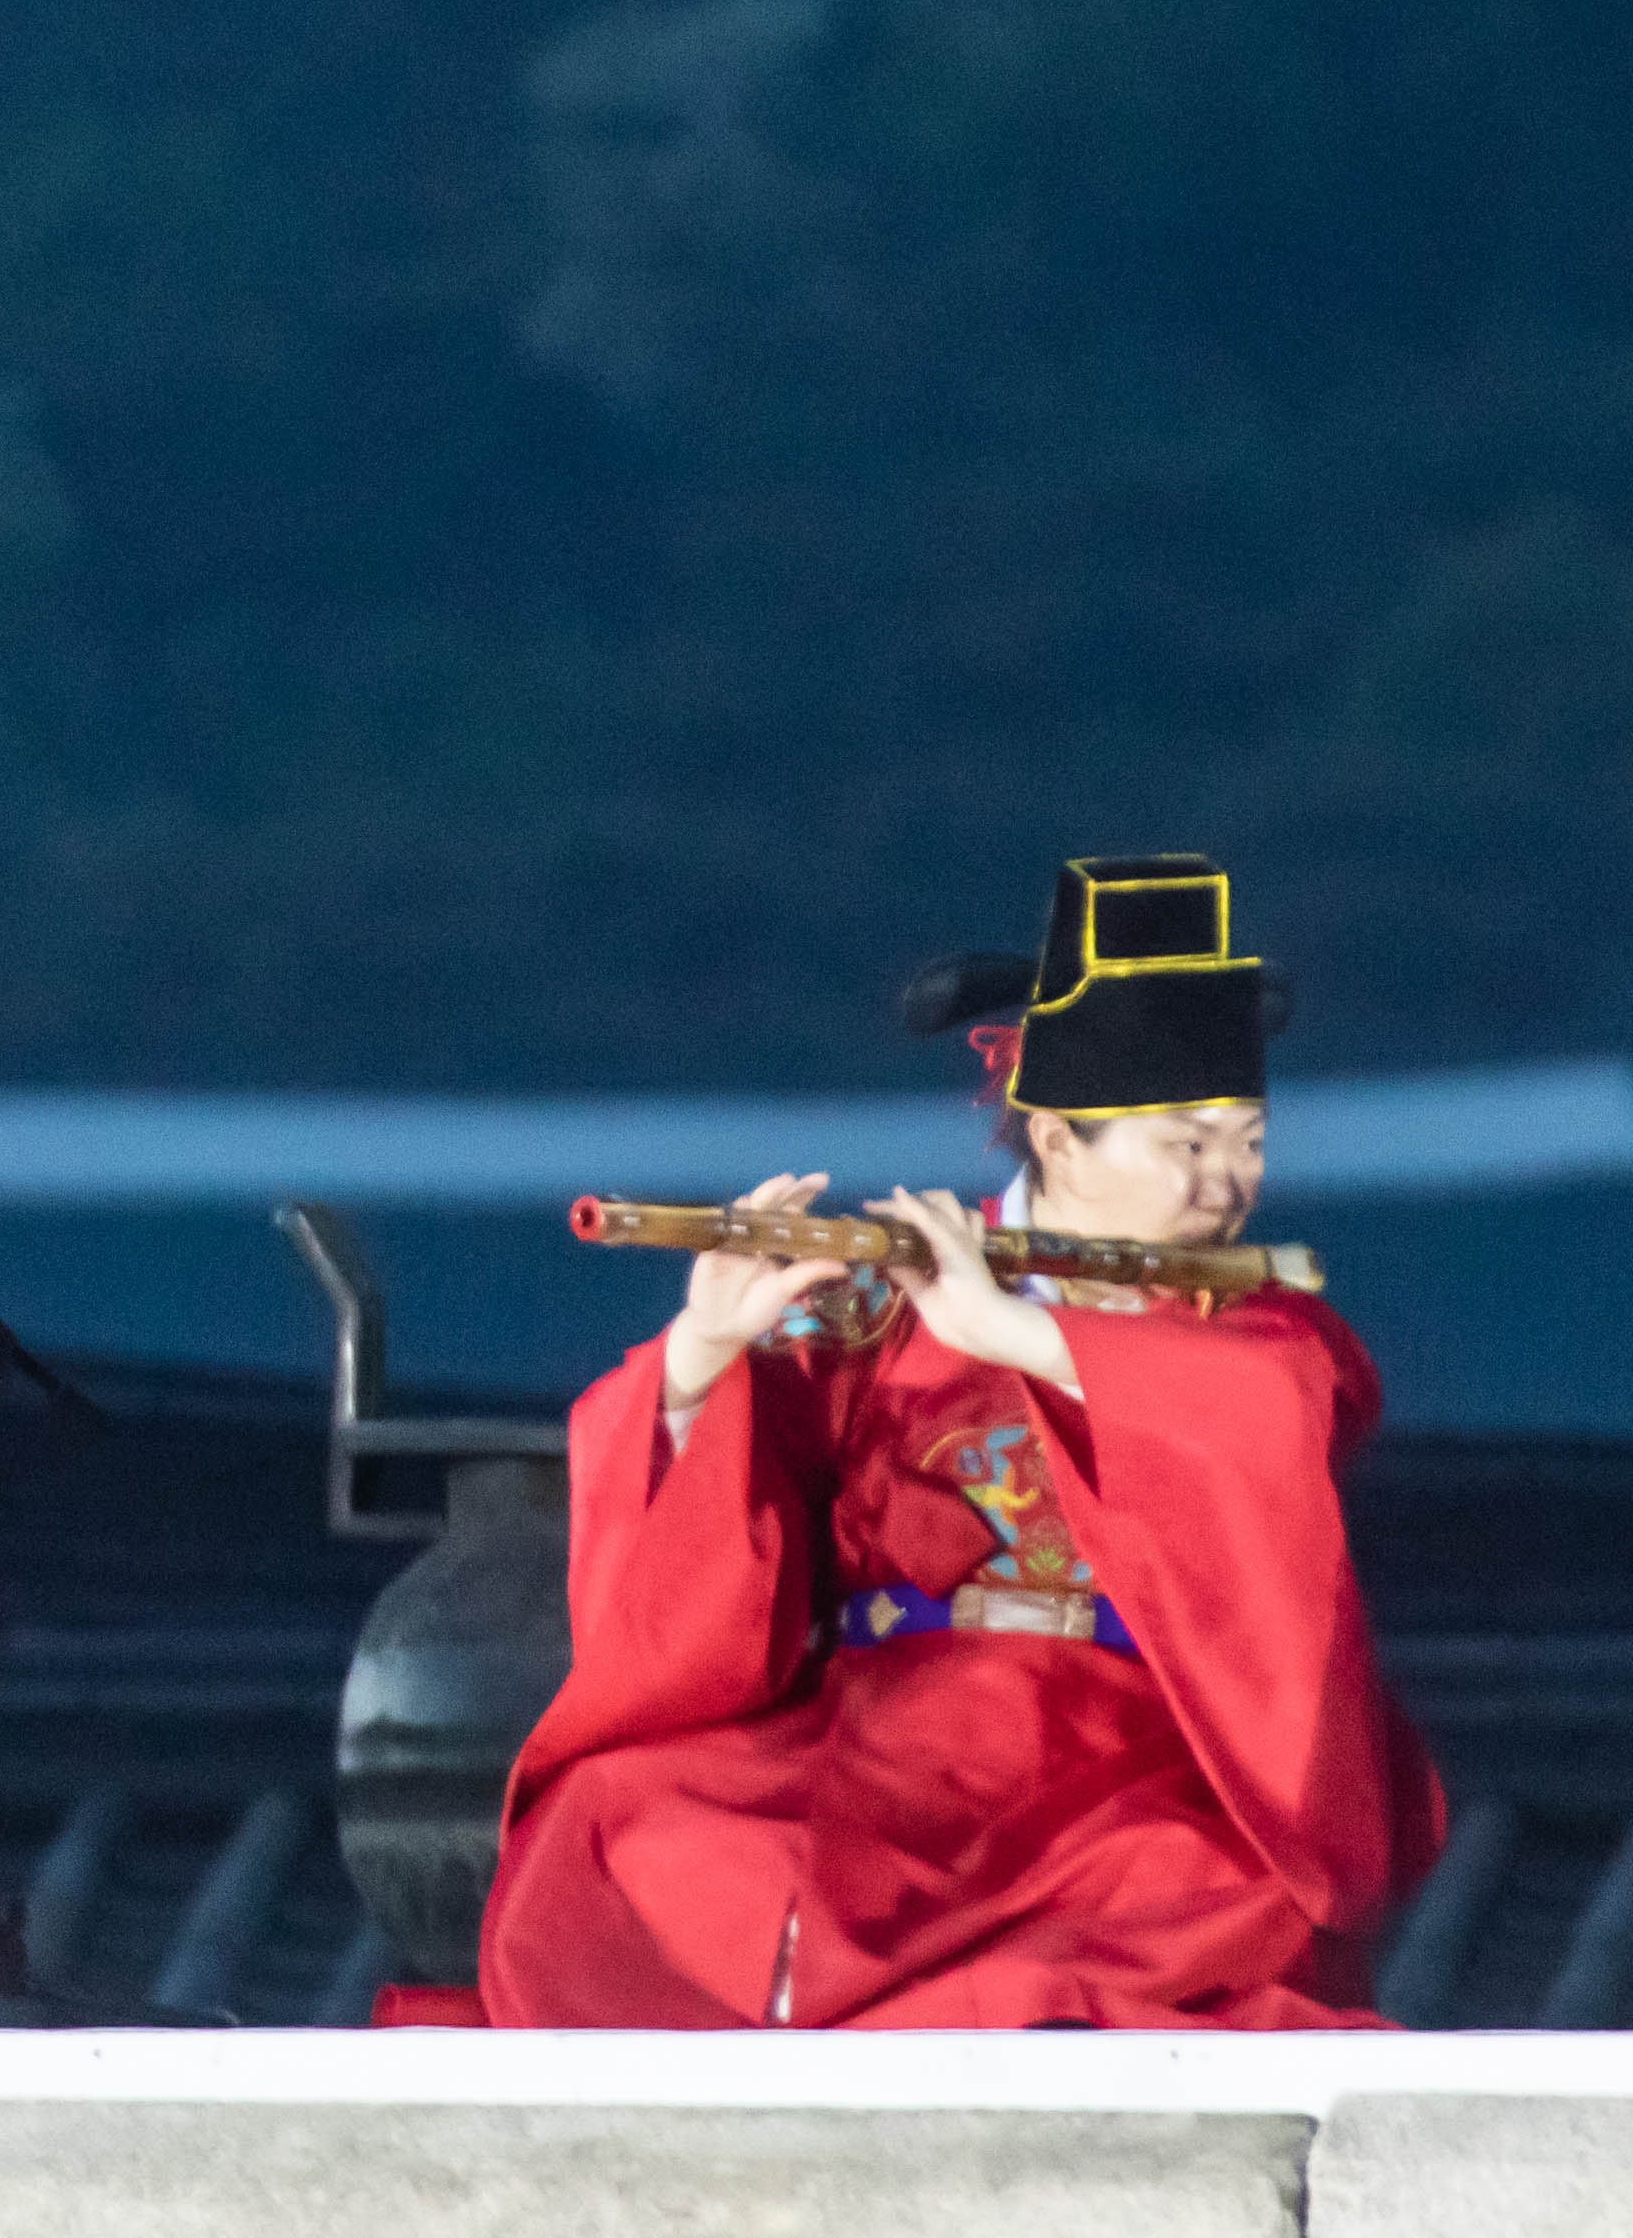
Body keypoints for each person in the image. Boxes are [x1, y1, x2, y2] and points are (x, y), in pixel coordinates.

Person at [476, 853, 1442, 2028]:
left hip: (1123, 1757)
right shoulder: (890, 1292)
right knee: (618, 1814)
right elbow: (725, 1536)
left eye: (1246, 1140)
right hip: (882, 1741)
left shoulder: (1264, 1328)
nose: (1223, 1181)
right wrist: (704, 1352)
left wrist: (1019, 1335)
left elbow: (1273, 1427)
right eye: (1184, 1142)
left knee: (1203, 1888)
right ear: (1058, 1138)